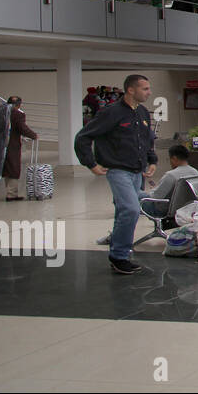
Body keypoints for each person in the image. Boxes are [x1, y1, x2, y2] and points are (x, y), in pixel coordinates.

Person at [74, 74, 157, 275]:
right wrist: (91, 164)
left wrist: (152, 160)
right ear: (131, 90)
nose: (149, 92)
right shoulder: (111, 113)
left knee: (124, 211)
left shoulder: (143, 112)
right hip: (118, 170)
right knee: (130, 209)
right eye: (145, 89)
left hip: (137, 172)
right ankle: (119, 255)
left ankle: (119, 252)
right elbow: (83, 137)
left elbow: (147, 139)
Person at [0, 95, 38, 203]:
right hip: (11, 145)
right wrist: (33, 135)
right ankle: (11, 195)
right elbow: (22, 128)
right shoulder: (18, 114)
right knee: (13, 168)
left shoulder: (0, 113)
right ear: (19, 105)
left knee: (4, 168)